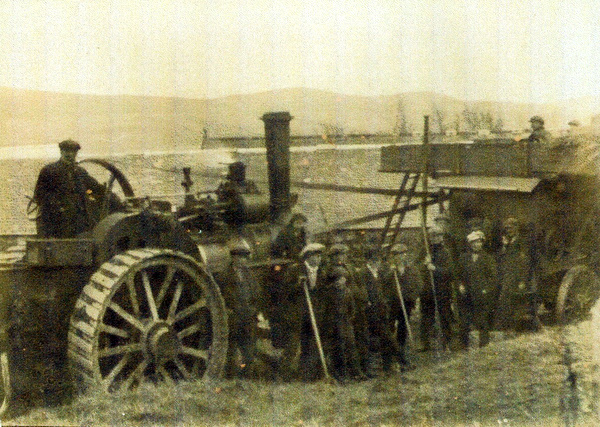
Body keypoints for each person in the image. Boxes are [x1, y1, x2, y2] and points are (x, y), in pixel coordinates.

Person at [268, 243, 325, 381]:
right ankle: (283, 376)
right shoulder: (295, 270)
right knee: (292, 346)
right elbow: (284, 292)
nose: (318, 259)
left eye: (319, 256)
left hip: (312, 316)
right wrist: (297, 284)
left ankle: (304, 374)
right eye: (315, 256)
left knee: (309, 345)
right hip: (296, 315)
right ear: (308, 257)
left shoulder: (321, 272)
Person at [33, 139, 110, 238]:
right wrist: (59, 207)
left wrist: (116, 200)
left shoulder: (80, 172)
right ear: (61, 152)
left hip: (77, 225)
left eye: (73, 152)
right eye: (67, 151)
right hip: (55, 225)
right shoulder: (48, 171)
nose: (70, 154)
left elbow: (97, 188)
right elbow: (39, 196)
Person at [318, 243, 366, 382]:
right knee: (339, 343)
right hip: (333, 313)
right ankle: (341, 373)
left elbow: (352, 287)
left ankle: (355, 372)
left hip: (346, 310)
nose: (343, 257)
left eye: (344, 254)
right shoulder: (328, 271)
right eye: (339, 255)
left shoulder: (348, 269)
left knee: (351, 342)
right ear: (333, 257)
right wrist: (336, 283)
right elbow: (324, 289)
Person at [218, 242, 261, 377]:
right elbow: (220, 297)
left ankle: (246, 377)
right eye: (240, 257)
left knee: (249, 348)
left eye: (244, 258)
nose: (243, 260)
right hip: (234, 317)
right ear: (234, 258)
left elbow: (257, 293)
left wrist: (255, 310)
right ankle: (230, 377)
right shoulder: (224, 275)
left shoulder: (250, 275)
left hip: (248, 316)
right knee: (231, 349)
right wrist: (228, 311)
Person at [494, 217, 541, 332]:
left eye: (511, 228)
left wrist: (523, 281)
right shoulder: (507, 242)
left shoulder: (522, 242)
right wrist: (505, 246)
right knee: (505, 300)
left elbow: (525, 263)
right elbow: (501, 258)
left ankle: (512, 327)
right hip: (507, 275)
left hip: (518, 276)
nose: (509, 230)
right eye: (507, 228)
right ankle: (505, 327)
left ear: (516, 228)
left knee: (515, 302)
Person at [381, 242, 423, 368]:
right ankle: (388, 357)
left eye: (402, 254)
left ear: (406, 255)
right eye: (396, 255)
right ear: (393, 257)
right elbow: (383, 284)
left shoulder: (412, 269)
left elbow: (419, 285)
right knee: (389, 329)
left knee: (403, 329)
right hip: (393, 304)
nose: (400, 257)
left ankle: (401, 352)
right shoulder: (387, 270)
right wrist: (391, 273)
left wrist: (412, 297)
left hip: (407, 303)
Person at [456, 231, 499, 349]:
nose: (476, 245)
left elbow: (493, 278)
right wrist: (460, 285)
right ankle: (463, 344)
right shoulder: (463, 258)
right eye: (474, 242)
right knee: (464, 320)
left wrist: (486, 290)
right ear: (470, 244)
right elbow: (458, 275)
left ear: (482, 243)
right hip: (466, 294)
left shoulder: (488, 258)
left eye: (479, 242)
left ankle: (484, 344)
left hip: (481, 294)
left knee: (482, 320)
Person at [418, 226, 457, 352]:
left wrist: (435, 269)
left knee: (444, 316)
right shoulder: (425, 251)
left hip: (442, 289)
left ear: (441, 237)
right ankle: (425, 343)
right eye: (432, 236)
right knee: (426, 316)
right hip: (427, 289)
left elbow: (450, 272)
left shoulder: (445, 252)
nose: (435, 238)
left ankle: (446, 343)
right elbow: (416, 267)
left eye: (438, 236)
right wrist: (424, 265)